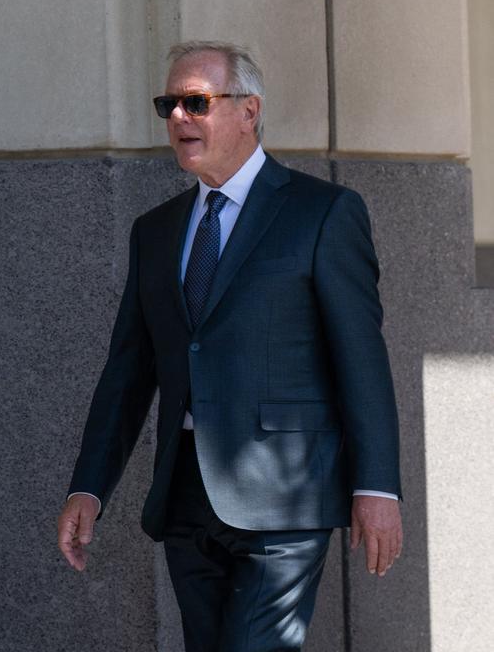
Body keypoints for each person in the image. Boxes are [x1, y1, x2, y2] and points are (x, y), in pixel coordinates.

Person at [56, 41, 403, 651]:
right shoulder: (156, 232)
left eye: (197, 102)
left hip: (286, 501)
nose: (179, 119)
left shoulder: (322, 213)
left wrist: (376, 486)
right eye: (169, 104)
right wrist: (90, 486)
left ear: (249, 111)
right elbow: (128, 373)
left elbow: (362, 360)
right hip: (187, 494)